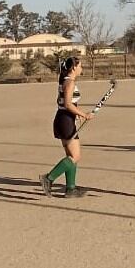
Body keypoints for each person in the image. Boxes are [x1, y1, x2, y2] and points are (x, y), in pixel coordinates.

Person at [39, 57, 93, 198]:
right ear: (74, 67)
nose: (82, 68)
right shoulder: (69, 82)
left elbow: (69, 104)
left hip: (65, 119)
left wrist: (78, 114)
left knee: (71, 156)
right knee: (75, 156)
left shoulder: (66, 80)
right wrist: (84, 114)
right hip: (65, 120)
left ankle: (70, 189)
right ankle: (48, 178)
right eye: (80, 66)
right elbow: (68, 104)